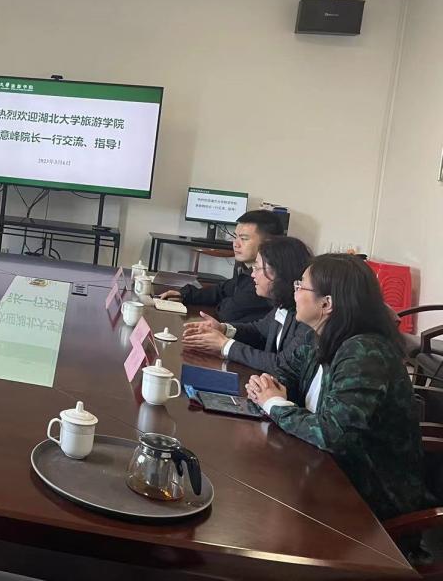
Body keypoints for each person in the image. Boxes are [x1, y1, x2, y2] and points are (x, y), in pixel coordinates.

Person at [246, 254, 427, 521]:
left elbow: (333, 435)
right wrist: (266, 389)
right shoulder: (318, 336)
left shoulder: (364, 353)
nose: (295, 292)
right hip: (322, 471)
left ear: (327, 303)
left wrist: (273, 402)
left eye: (301, 286)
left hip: (368, 499)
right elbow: (282, 375)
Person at [182, 236, 314, 373]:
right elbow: (258, 330)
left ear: (280, 272)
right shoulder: (282, 304)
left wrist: (225, 345)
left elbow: (281, 364)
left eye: (257, 268)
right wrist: (223, 329)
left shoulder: (306, 317)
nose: (252, 275)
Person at [158, 209, 284, 322]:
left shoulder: (267, 278)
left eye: (244, 239)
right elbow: (222, 290)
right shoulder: (246, 269)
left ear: (268, 243)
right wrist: (185, 294)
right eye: (235, 237)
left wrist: (224, 302)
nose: (235, 244)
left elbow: (229, 313)